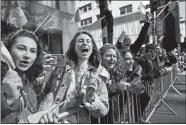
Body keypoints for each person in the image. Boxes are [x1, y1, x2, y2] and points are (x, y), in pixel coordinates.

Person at [39, 30, 109, 123]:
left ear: (92, 47)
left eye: (88, 41)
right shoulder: (60, 67)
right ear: (74, 46)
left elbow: (103, 110)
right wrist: (41, 71)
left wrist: (92, 98)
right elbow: (42, 91)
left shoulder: (97, 74)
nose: (85, 43)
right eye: (80, 41)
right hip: (55, 119)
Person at [1, 30, 57, 123]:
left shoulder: (29, 78)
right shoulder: (4, 80)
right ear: (8, 50)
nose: (27, 55)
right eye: (21, 48)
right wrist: (9, 99)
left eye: (32, 51)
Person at [121, 50, 150, 123]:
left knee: (145, 96)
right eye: (127, 59)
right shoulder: (117, 72)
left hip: (130, 99)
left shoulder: (134, 70)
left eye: (131, 58)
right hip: (119, 104)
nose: (131, 61)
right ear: (120, 60)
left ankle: (137, 118)